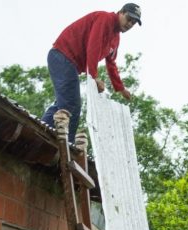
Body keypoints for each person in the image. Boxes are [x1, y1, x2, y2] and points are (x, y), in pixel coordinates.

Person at [42, 4, 141, 143]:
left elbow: (111, 63)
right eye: (129, 18)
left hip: (70, 65)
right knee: (72, 105)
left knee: (63, 104)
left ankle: (41, 131)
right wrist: (93, 77)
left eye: (134, 22)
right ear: (121, 12)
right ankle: (67, 146)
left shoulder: (116, 38)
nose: (130, 24)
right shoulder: (104, 18)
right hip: (62, 56)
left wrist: (120, 88)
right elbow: (93, 47)